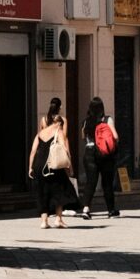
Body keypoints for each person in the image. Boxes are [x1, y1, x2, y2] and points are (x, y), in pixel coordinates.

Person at [29, 100, 76, 229]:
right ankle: (58, 219)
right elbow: (64, 146)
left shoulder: (40, 132)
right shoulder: (59, 129)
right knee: (59, 190)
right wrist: (69, 165)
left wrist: (30, 167)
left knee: (42, 192)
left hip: (40, 163)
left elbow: (33, 151)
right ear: (59, 123)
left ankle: (44, 221)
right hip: (53, 163)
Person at [80, 96, 121, 221]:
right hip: (104, 154)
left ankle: (86, 209)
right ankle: (111, 210)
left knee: (90, 182)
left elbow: (83, 137)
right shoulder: (107, 119)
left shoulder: (85, 121)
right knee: (107, 182)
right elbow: (115, 136)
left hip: (89, 153)